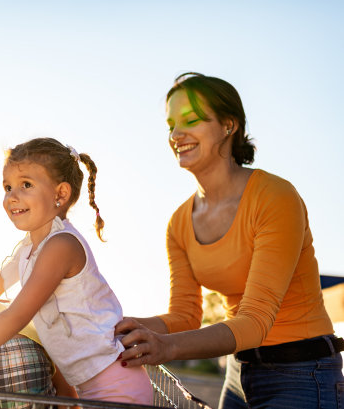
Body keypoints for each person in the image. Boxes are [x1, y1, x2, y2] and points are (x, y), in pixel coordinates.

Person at [115, 72, 344, 408]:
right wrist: (120, 327)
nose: (177, 134)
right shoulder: (179, 223)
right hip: (238, 373)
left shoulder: (274, 197)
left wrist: (168, 347)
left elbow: (254, 323)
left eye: (191, 120)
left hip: (302, 373)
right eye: (171, 125)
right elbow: (185, 315)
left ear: (228, 125)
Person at [0, 137, 153, 404]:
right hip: (93, 386)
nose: (11, 196)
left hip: (118, 387)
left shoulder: (61, 246)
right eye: (7, 187)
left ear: (60, 195)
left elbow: (16, 315)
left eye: (25, 185)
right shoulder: (30, 247)